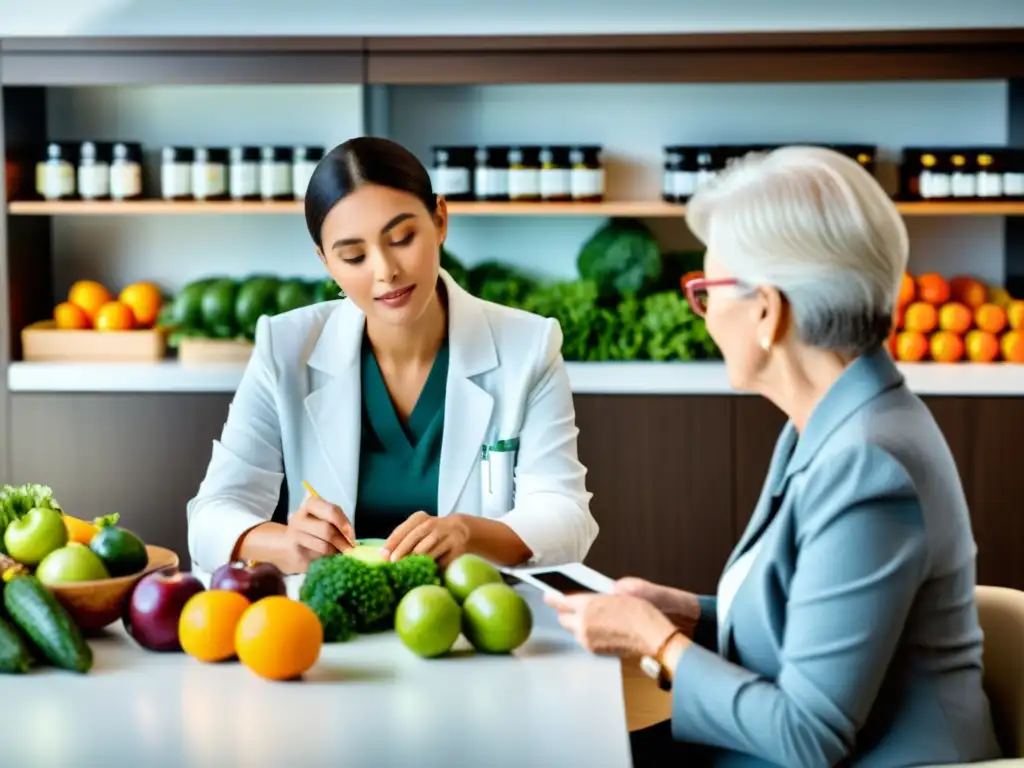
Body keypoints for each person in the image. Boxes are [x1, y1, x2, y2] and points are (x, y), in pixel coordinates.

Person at [546, 146, 1002, 767]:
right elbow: (809, 621)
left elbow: (808, 738)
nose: (703, 318)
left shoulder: (869, 465)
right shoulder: (827, 422)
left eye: (706, 291)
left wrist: (655, 642)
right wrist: (685, 613)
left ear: (767, 310)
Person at [186, 136, 597, 581]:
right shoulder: (285, 346)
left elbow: (566, 517)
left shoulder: (528, 346)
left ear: (440, 219)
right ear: (326, 262)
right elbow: (211, 514)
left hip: (469, 620)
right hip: (329, 625)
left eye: (402, 238)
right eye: (354, 256)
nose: (385, 271)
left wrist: (468, 533)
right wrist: (287, 545)